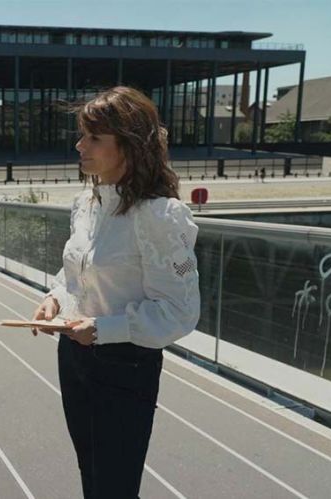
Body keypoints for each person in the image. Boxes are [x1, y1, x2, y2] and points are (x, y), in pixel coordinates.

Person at [31, 86, 200, 499]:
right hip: (74, 358)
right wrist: (56, 297)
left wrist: (104, 329)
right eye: (82, 135)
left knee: (114, 487)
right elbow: (77, 273)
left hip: (125, 367)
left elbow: (180, 310)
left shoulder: (159, 216)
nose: (79, 145)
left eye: (93, 137)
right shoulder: (86, 204)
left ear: (128, 147)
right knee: (92, 476)